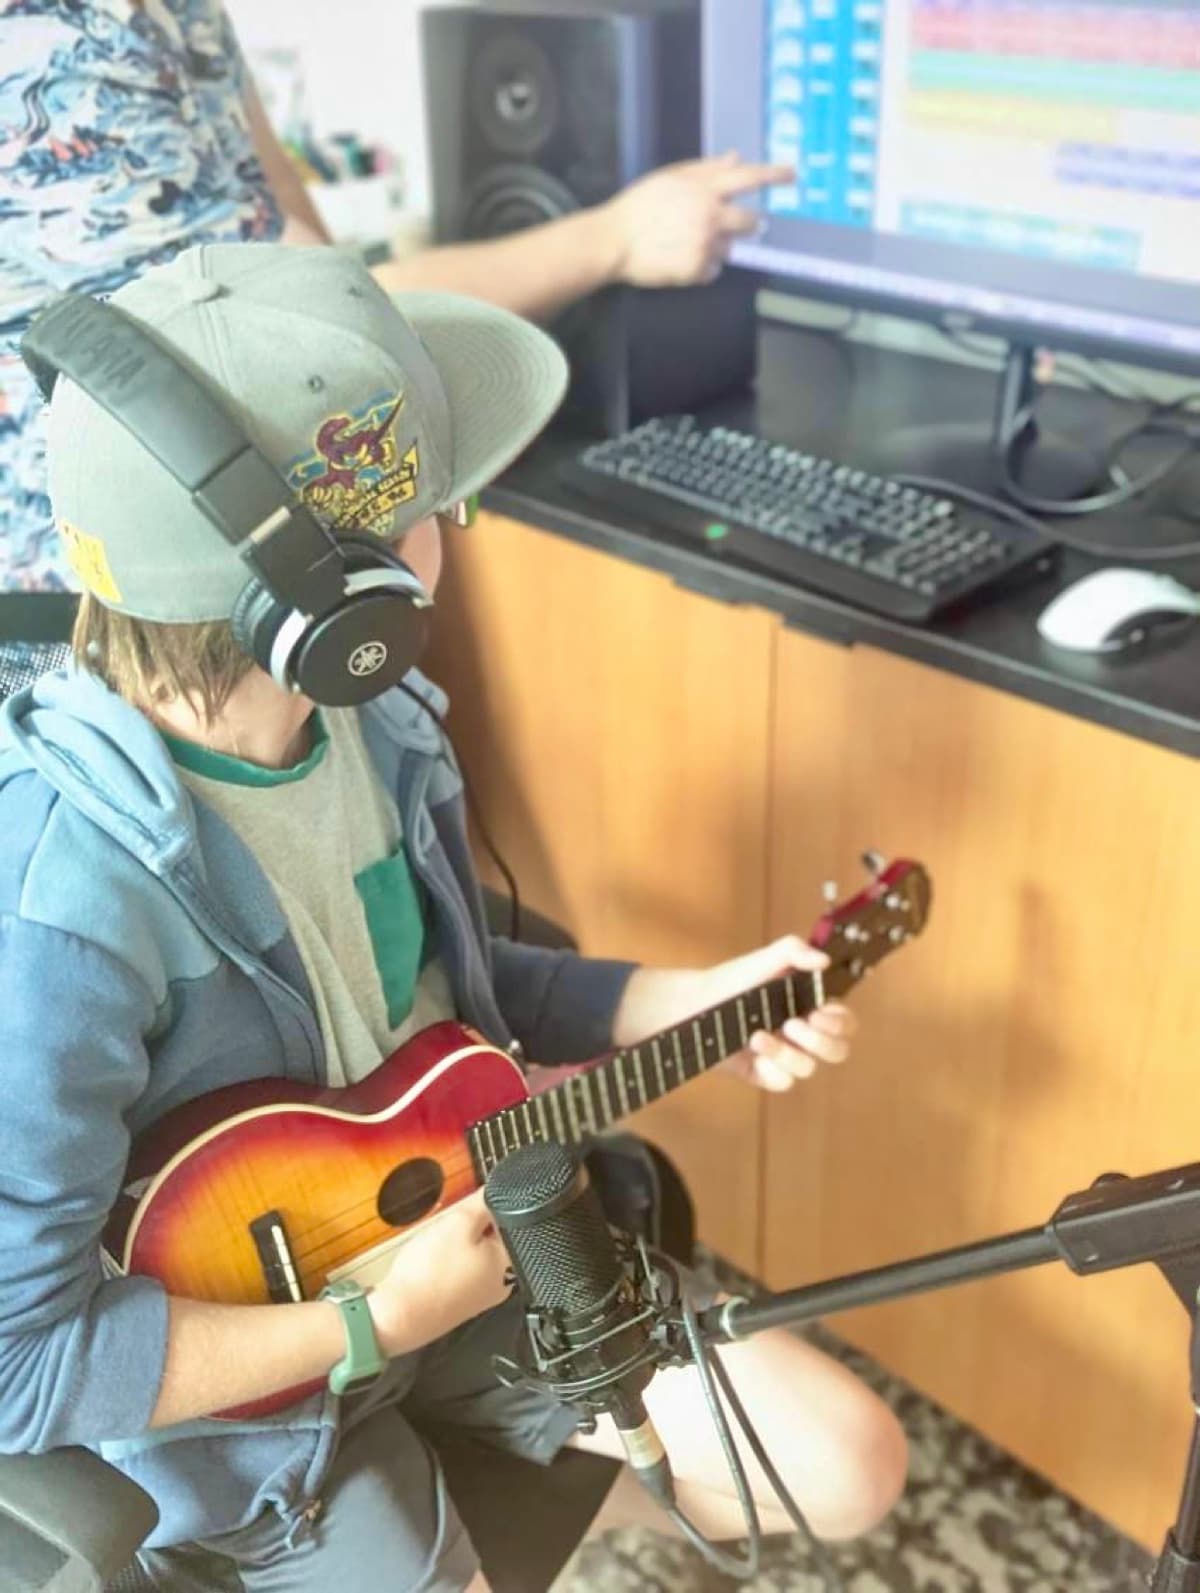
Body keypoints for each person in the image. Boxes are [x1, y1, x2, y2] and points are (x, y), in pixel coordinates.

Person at [0, 242, 906, 1591]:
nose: (451, 537)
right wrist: (370, 1321)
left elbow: (442, 988)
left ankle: (512, 1486)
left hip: (466, 1249)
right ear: (332, 601)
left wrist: (691, 995)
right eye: (444, 508)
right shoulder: (61, 915)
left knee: (848, 1460)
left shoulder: (369, 727)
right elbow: (22, 1366)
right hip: (259, 1404)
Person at [1, 0, 786, 608]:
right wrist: (615, 238)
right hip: (138, 599)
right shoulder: (48, 46)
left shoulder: (180, 12)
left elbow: (294, 238)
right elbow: (303, 321)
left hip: (282, 523)